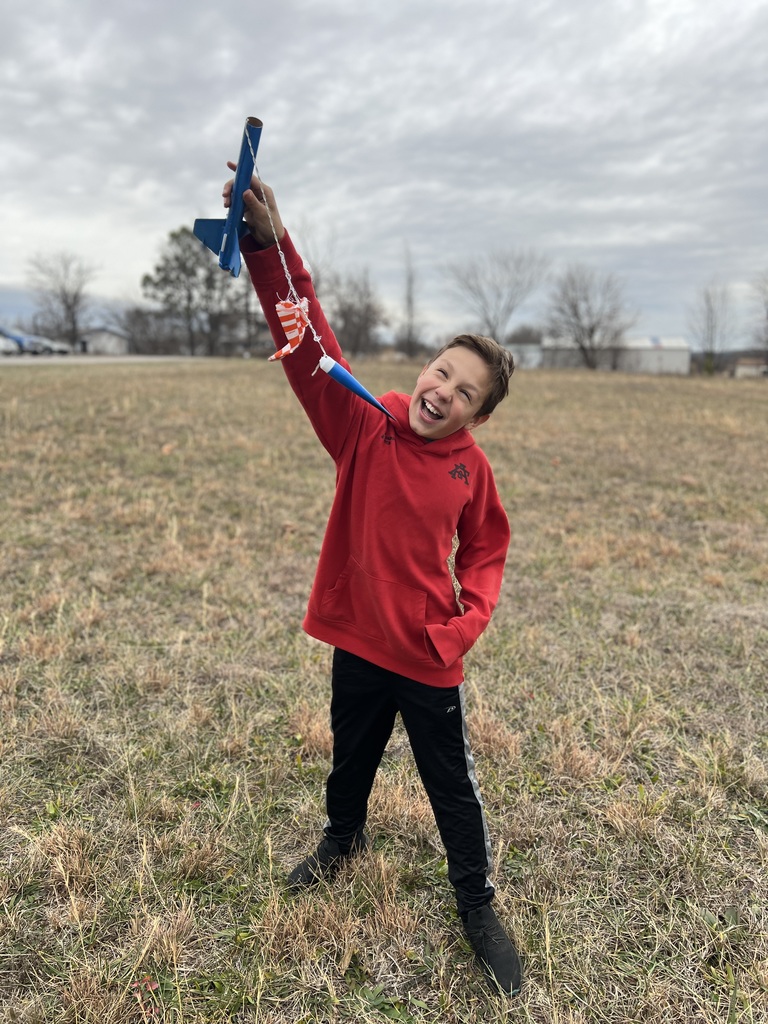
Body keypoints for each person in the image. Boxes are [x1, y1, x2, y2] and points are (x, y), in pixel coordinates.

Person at [223, 165, 522, 997]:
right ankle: (341, 839)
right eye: (440, 372)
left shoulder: (472, 473)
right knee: (348, 758)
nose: (442, 392)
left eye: (464, 393)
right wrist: (269, 246)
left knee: (451, 789)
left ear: (479, 415)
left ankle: (477, 903)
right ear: (424, 369)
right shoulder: (363, 422)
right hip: (359, 641)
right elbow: (304, 341)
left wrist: (462, 625)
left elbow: (488, 552)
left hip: (428, 656)